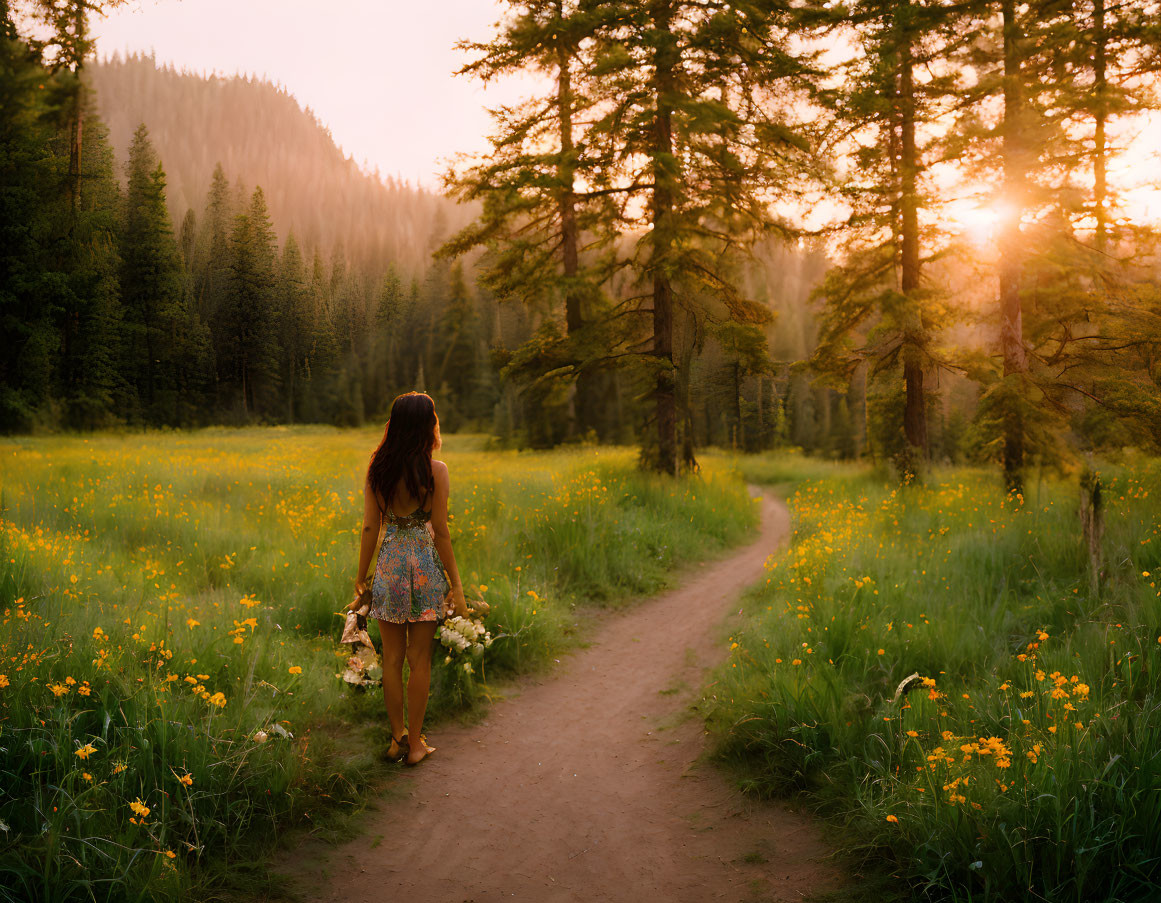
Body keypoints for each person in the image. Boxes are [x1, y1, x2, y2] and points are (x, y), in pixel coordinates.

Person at [350, 392, 468, 766]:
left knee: (392, 660)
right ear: (426, 424)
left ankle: (396, 738)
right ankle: (416, 745)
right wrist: (458, 586)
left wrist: (360, 579)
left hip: (389, 567)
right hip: (424, 567)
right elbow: (441, 531)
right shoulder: (436, 470)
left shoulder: (378, 469)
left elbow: (371, 526)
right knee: (420, 661)